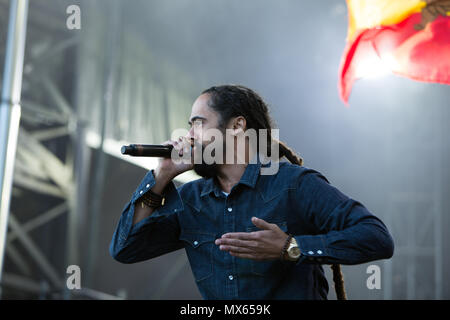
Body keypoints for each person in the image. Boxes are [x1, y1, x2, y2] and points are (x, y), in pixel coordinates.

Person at [109, 84, 394, 300]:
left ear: (236, 126)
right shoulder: (190, 200)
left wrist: (291, 247)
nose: (190, 135)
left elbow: (376, 237)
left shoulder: (293, 184)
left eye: (198, 122)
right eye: (189, 126)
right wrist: (161, 176)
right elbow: (125, 249)